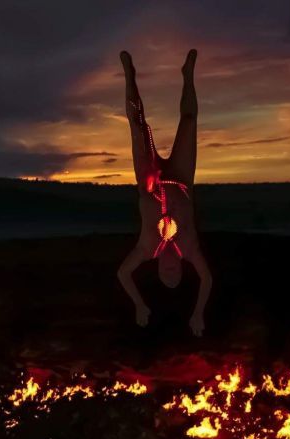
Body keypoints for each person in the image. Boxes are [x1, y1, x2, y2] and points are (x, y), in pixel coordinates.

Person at [117, 49, 212, 337]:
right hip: (182, 179)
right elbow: (207, 279)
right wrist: (198, 313)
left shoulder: (146, 249)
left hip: (149, 179)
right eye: (176, 274)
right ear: (183, 269)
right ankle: (188, 75)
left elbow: (123, 274)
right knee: (190, 121)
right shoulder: (190, 249)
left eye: (165, 274)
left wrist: (139, 305)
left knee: (137, 123)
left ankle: (129, 75)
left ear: (158, 268)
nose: (171, 270)